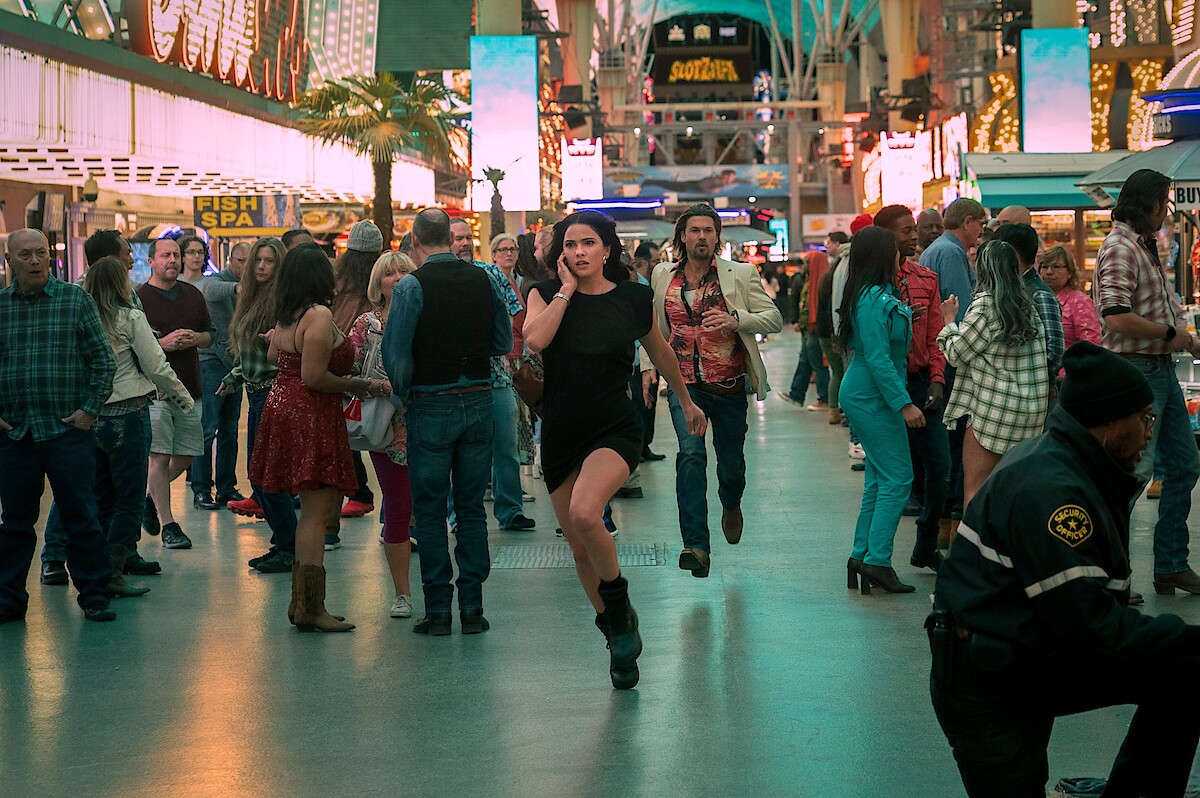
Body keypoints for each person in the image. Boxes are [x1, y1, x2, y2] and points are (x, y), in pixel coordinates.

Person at [929, 341, 1200, 798]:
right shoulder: (1052, 490)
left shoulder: (1073, 462)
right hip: (988, 684)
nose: (1148, 433)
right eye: (1144, 419)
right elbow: (1094, 625)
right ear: (1107, 422)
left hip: (1029, 651)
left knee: (1187, 670)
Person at [524, 210, 707, 689]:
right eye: (570, 245)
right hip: (561, 431)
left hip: (614, 428)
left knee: (586, 514)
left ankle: (620, 608)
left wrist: (686, 401)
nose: (578, 252)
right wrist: (565, 291)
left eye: (588, 243)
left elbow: (661, 350)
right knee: (580, 551)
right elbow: (535, 339)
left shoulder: (633, 297)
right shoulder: (544, 293)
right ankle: (615, 633)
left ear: (607, 249)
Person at [381, 208, 512, 636]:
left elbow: (397, 355)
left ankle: (438, 610)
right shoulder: (485, 278)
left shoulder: (411, 286)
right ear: (451, 237)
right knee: (471, 508)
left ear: (415, 240)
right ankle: (473, 607)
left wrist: (404, 396)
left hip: (430, 402)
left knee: (431, 509)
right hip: (478, 398)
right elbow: (502, 341)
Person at [250, 244, 382, 632]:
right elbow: (314, 376)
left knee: (309, 509)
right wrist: (357, 384)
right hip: (312, 413)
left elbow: (275, 359)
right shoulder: (319, 315)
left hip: (282, 405)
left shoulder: (288, 315)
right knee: (315, 513)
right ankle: (312, 607)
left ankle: (300, 602)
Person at [652, 203, 783, 578]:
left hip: (728, 386)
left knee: (731, 466)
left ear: (717, 237)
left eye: (708, 231)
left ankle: (731, 502)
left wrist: (736, 319)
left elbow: (773, 317)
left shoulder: (739, 273)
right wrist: (649, 371)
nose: (702, 237)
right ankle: (696, 546)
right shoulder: (663, 275)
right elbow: (655, 330)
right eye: (694, 230)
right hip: (684, 388)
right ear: (682, 236)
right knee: (691, 456)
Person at [0, 229, 117, 623]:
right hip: (15, 434)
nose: (35, 261)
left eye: (41, 253)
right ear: (9, 261)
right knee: (15, 522)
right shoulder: (0, 307)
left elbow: (104, 361)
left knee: (81, 515)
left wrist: (88, 411)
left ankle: (95, 594)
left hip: (67, 432)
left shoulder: (75, 300)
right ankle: (8, 598)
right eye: (26, 255)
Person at [1093, 168, 1200, 595]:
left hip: (1159, 369)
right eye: (1164, 203)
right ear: (1150, 203)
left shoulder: (1141, 245)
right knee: (1133, 474)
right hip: (1136, 371)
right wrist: (1171, 334)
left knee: (1184, 464)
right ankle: (1110, 574)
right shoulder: (1121, 248)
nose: (1167, 211)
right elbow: (1115, 316)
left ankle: (1170, 564)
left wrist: (1181, 338)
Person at [80, 257, 194, 598]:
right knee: (129, 500)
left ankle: (98, 571)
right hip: (128, 416)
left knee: (101, 497)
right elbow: (156, 365)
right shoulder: (129, 317)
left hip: (91, 418)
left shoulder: (80, 320)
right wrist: (182, 397)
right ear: (120, 285)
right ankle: (114, 573)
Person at [837, 226, 926, 595]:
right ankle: (877, 561)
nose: (900, 254)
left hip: (868, 391)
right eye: (894, 249)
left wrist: (904, 317)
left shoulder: (871, 295)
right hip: (872, 394)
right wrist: (904, 404)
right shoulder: (874, 298)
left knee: (879, 479)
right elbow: (878, 359)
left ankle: (863, 555)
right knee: (899, 479)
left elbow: (877, 345)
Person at [938, 240, 1048, 509]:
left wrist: (949, 320)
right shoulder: (1028, 304)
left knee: (976, 489)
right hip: (1030, 413)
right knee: (1014, 490)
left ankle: (976, 538)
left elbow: (957, 353)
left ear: (983, 270)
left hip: (993, 411)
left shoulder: (985, 305)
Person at [874, 205, 949, 573]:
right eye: (906, 230)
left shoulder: (925, 278)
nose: (915, 236)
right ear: (886, 236)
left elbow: (936, 334)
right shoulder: (871, 285)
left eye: (914, 228)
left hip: (920, 383)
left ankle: (926, 542)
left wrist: (937, 378)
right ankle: (875, 556)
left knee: (941, 465)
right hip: (883, 388)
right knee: (889, 476)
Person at [221, 238, 300, 575]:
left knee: (268, 477)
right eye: (258, 260)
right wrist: (234, 376)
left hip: (273, 393)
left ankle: (290, 546)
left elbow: (289, 353)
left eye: (269, 261)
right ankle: (284, 542)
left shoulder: (283, 303)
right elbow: (248, 354)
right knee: (260, 475)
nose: (262, 266)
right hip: (255, 393)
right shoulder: (251, 299)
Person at [136, 237, 214, 552]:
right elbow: (129, 347)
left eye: (176, 255)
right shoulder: (139, 298)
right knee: (158, 455)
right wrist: (162, 344)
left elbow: (210, 335)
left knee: (186, 454)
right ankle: (169, 525)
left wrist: (196, 338)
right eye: (166, 255)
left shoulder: (193, 295)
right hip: (154, 391)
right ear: (151, 261)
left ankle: (145, 495)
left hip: (189, 388)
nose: (173, 260)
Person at [349, 251, 416, 619]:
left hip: (428, 420)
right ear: (379, 283)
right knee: (398, 505)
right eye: (390, 273)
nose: (398, 277)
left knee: (431, 506)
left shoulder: (427, 317)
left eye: (404, 270)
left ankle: (438, 589)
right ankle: (402, 592)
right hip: (387, 428)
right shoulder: (367, 324)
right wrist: (376, 386)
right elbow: (349, 372)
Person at [920, 198, 987, 538]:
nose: (981, 231)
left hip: (935, 352)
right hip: (949, 355)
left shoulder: (936, 250)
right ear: (968, 222)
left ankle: (942, 522)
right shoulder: (951, 252)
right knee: (957, 439)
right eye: (981, 224)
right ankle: (950, 522)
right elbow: (961, 309)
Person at [329, 219, 385, 526]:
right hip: (377, 369)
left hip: (339, 366)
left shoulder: (337, 283)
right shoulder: (381, 284)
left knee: (342, 432)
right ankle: (368, 497)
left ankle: (356, 494)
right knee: (381, 434)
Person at [480, 231, 537, 530]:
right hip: (492, 366)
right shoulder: (487, 276)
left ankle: (510, 508)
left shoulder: (511, 281)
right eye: (502, 249)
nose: (508, 253)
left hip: (506, 367)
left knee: (508, 441)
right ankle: (461, 513)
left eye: (512, 248)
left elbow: (518, 319)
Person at [191, 242, 247, 510]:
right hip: (212, 362)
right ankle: (201, 489)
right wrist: (237, 288)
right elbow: (210, 289)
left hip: (235, 364)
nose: (246, 266)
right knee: (207, 429)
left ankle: (226, 488)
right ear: (230, 261)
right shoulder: (218, 281)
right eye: (241, 260)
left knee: (230, 430)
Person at [992, 223, 1064, 393]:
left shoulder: (1039, 294)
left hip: (1035, 393)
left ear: (1011, 255)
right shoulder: (1012, 289)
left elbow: (1054, 351)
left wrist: (1021, 371)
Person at [784, 249, 830, 409]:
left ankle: (825, 398)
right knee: (805, 360)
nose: (804, 265)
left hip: (815, 327)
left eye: (807, 262)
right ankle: (796, 394)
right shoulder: (810, 280)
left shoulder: (820, 282)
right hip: (808, 326)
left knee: (817, 363)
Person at [1038, 245, 1099, 354]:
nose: (1049, 272)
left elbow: (1092, 344)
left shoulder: (1079, 301)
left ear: (1070, 272)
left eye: (1056, 267)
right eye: (1044, 267)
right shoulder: (1036, 299)